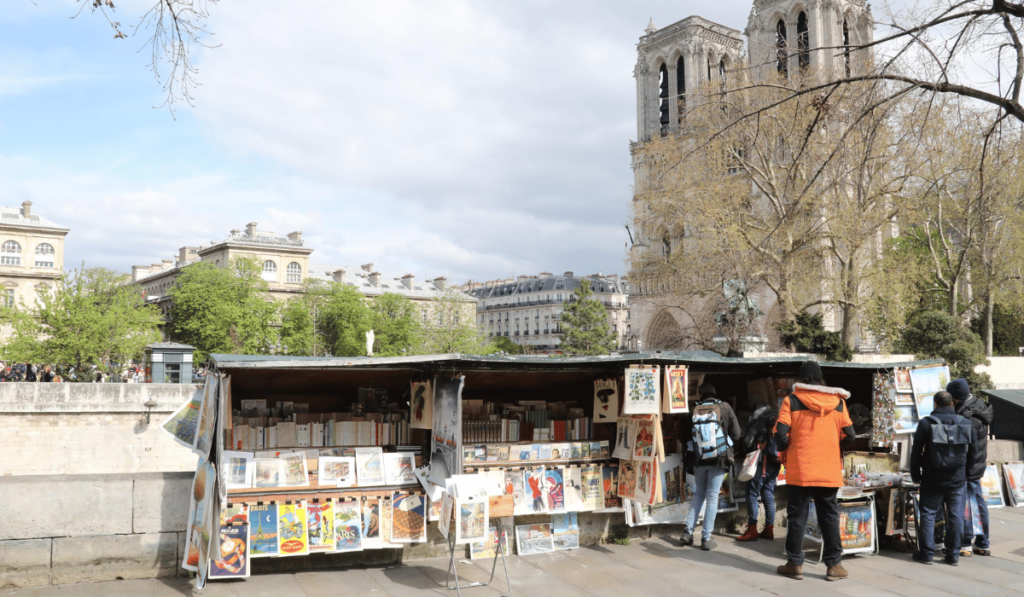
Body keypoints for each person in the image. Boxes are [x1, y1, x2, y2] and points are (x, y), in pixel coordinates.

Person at [774, 361, 855, 582]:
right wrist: (833, 448)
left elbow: (780, 434)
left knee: (797, 517)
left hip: (800, 468)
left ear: (801, 379)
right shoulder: (838, 402)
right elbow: (850, 435)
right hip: (828, 470)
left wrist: (786, 450)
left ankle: (794, 564)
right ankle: (834, 566)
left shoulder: (791, 400)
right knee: (829, 516)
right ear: (821, 378)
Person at [911, 391, 975, 566]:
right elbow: (973, 453)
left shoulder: (926, 423)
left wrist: (916, 475)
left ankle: (926, 553)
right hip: (957, 479)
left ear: (935, 404)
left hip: (932, 478)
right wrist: (968, 475)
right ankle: (953, 555)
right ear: (952, 404)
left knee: (928, 514)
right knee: (955, 516)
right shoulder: (966, 423)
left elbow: (916, 452)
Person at [680, 382, 741, 551]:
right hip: (718, 460)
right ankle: (706, 538)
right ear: (715, 392)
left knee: (699, 494)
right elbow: (736, 433)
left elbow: (682, 436)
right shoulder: (725, 407)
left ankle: (687, 532)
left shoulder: (692, 409)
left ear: (700, 395)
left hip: (699, 460)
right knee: (713, 496)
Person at [947, 378, 993, 557]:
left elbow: (969, 446)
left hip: (969, 466)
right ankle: (983, 542)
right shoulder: (979, 406)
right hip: (977, 464)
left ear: (956, 397)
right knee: (978, 502)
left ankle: (966, 542)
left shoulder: (968, 416)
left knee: (966, 504)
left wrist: (966, 469)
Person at [736, 403, 781, 541]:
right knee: (768, 493)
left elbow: (747, 442)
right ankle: (769, 529)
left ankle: (752, 529)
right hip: (776, 462)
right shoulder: (777, 419)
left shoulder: (758, 421)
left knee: (751, 494)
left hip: (763, 463)